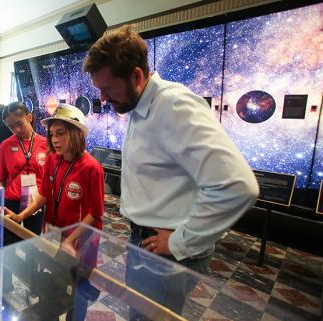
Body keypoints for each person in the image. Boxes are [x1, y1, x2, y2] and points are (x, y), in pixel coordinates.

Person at [83, 25, 259, 318]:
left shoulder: (174, 105)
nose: (102, 98)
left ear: (136, 76)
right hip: (146, 241)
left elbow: (238, 186)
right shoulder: (142, 105)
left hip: (165, 250)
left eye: (108, 88)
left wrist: (179, 242)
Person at [5, 104, 105, 321]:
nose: (55, 139)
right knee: (56, 280)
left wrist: (71, 240)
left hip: (81, 242)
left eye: (61, 133)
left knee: (78, 290)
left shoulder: (92, 167)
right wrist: (22, 216)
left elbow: (95, 213)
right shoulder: (52, 159)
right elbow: (44, 195)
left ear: (76, 134)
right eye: (52, 134)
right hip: (54, 234)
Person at [0, 102, 47, 237]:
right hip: (10, 202)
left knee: (32, 242)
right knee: (9, 242)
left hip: (35, 202)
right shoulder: (6, 145)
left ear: (29, 117)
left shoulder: (46, 144)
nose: (17, 130)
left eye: (19, 124)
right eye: (11, 127)